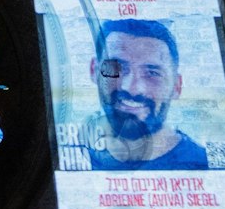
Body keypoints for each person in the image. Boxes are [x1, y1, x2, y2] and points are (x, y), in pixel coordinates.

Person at [83, 18, 209, 170]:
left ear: (176, 86)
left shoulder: (204, 166)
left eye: (152, 73)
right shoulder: (67, 156)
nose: (131, 88)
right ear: (94, 71)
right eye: (117, 67)